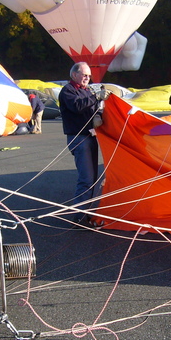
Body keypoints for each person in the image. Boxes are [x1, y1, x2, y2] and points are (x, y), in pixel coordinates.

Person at [58, 62, 102, 226]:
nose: (87, 78)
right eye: (84, 75)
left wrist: (99, 113)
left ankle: (85, 213)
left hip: (90, 136)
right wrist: (96, 97)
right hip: (79, 138)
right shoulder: (68, 91)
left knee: (92, 178)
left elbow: (92, 108)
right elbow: (77, 106)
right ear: (74, 74)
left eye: (89, 76)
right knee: (86, 179)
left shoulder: (87, 91)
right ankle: (79, 217)